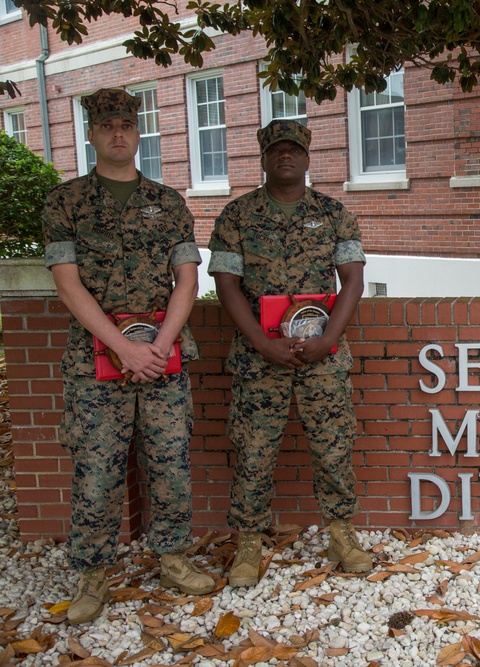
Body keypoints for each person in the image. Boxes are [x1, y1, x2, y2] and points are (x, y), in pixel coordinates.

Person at [41, 88, 214, 625]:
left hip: (162, 358)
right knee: (97, 471)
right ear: (92, 134)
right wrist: (124, 349)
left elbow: (188, 278)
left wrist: (158, 347)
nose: (119, 133)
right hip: (97, 361)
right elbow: (68, 286)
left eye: (127, 125)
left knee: (170, 463)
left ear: (138, 133)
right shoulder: (64, 203)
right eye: (107, 125)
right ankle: (93, 573)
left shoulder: (169, 203)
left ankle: (172, 558)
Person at [208, 119, 371, 586]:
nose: (286, 157)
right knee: (253, 451)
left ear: (306, 157)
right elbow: (226, 285)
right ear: (263, 158)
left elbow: (353, 280)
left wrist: (327, 341)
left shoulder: (334, 212)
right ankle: (248, 544)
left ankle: (342, 534)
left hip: (322, 354)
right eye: (276, 150)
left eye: (294, 150)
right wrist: (263, 343)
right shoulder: (237, 216)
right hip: (261, 358)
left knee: (334, 448)